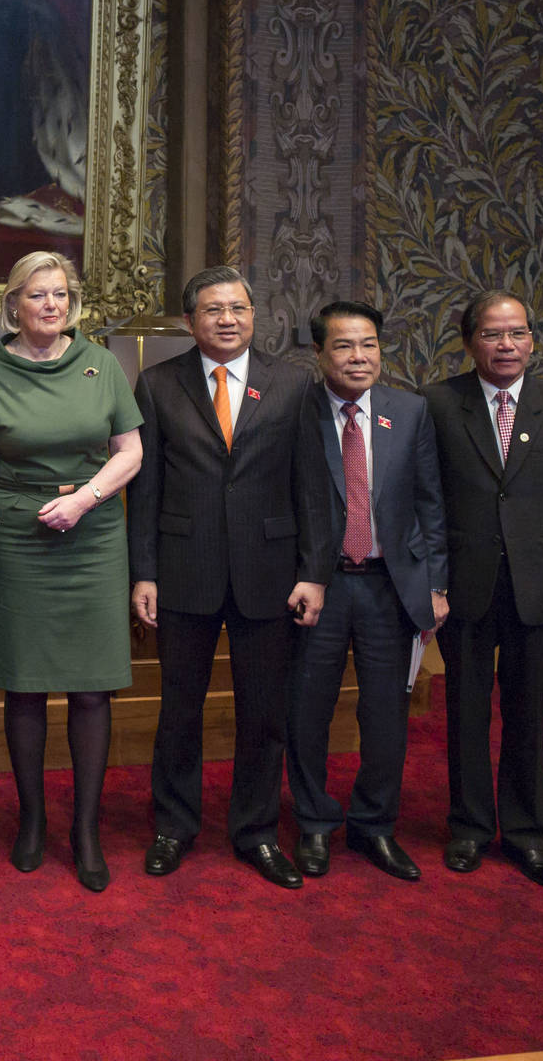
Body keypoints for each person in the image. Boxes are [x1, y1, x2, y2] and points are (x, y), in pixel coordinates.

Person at [127, 264, 326, 889]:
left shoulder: (292, 385)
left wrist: (313, 573)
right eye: (213, 310)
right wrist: (144, 573)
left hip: (270, 574)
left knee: (263, 711)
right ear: (190, 321)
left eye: (238, 308)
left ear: (252, 314)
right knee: (178, 710)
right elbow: (146, 489)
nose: (227, 319)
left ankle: (257, 831)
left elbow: (313, 488)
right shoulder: (158, 384)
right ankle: (174, 825)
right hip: (184, 572)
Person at [0, 252, 142, 890]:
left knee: (93, 688)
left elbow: (131, 451)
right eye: (37, 295)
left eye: (60, 294)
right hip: (18, 536)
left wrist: (85, 499)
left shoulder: (101, 364)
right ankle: (32, 819)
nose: (51, 305)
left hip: (92, 535)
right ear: (14, 304)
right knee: (26, 686)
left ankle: (86, 829)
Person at [421, 290, 543, 887]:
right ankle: (469, 828)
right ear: (471, 341)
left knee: (528, 717)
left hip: (536, 589)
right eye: (494, 335)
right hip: (465, 589)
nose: (507, 345)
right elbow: (428, 504)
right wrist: (433, 583)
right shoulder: (439, 404)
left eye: (518, 334)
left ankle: (527, 835)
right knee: (466, 714)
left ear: (532, 340)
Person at [286, 302, 448, 883]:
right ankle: (313, 823)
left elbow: (431, 504)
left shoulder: (410, 411)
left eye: (370, 345)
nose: (360, 357)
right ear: (320, 353)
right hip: (321, 588)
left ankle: (374, 825)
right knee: (308, 712)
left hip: (391, 588)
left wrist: (436, 584)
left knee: (386, 715)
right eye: (345, 347)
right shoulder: (295, 410)